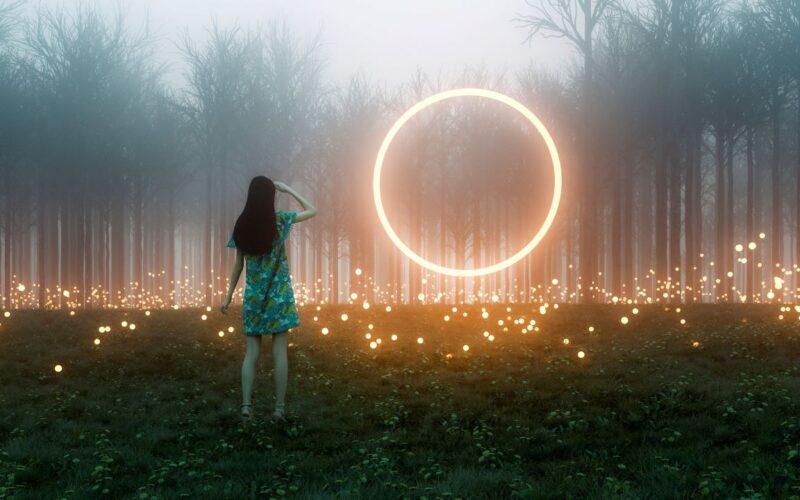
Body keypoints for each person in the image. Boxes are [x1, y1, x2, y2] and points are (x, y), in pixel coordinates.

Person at [221, 176, 317, 422]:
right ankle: (278, 410)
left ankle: (246, 407)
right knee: (279, 352)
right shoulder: (280, 220)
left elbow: (238, 265)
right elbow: (312, 210)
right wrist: (289, 189)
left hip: (254, 298)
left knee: (251, 352)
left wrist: (229, 295)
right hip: (279, 298)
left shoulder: (242, 225)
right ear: (271, 196)